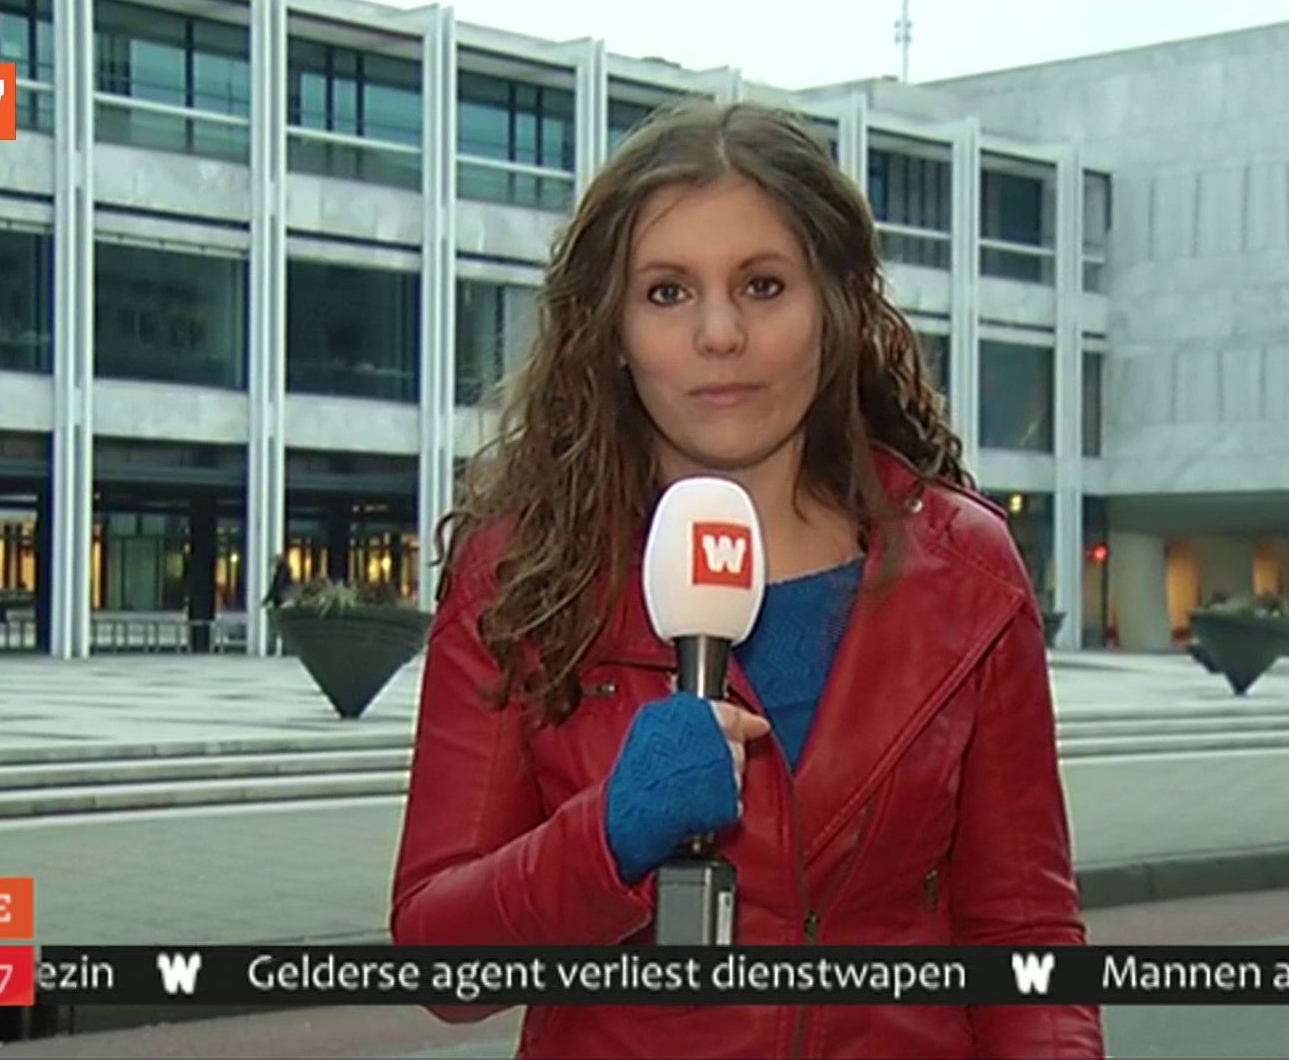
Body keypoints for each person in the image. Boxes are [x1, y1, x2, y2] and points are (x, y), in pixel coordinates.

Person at [389, 100, 1104, 1059]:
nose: (720, 333)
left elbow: (1025, 935)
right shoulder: (519, 573)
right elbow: (440, 960)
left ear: (835, 307)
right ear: (611, 329)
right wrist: (606, 840)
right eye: (667, 292)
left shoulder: (966, 570)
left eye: (763, 286)